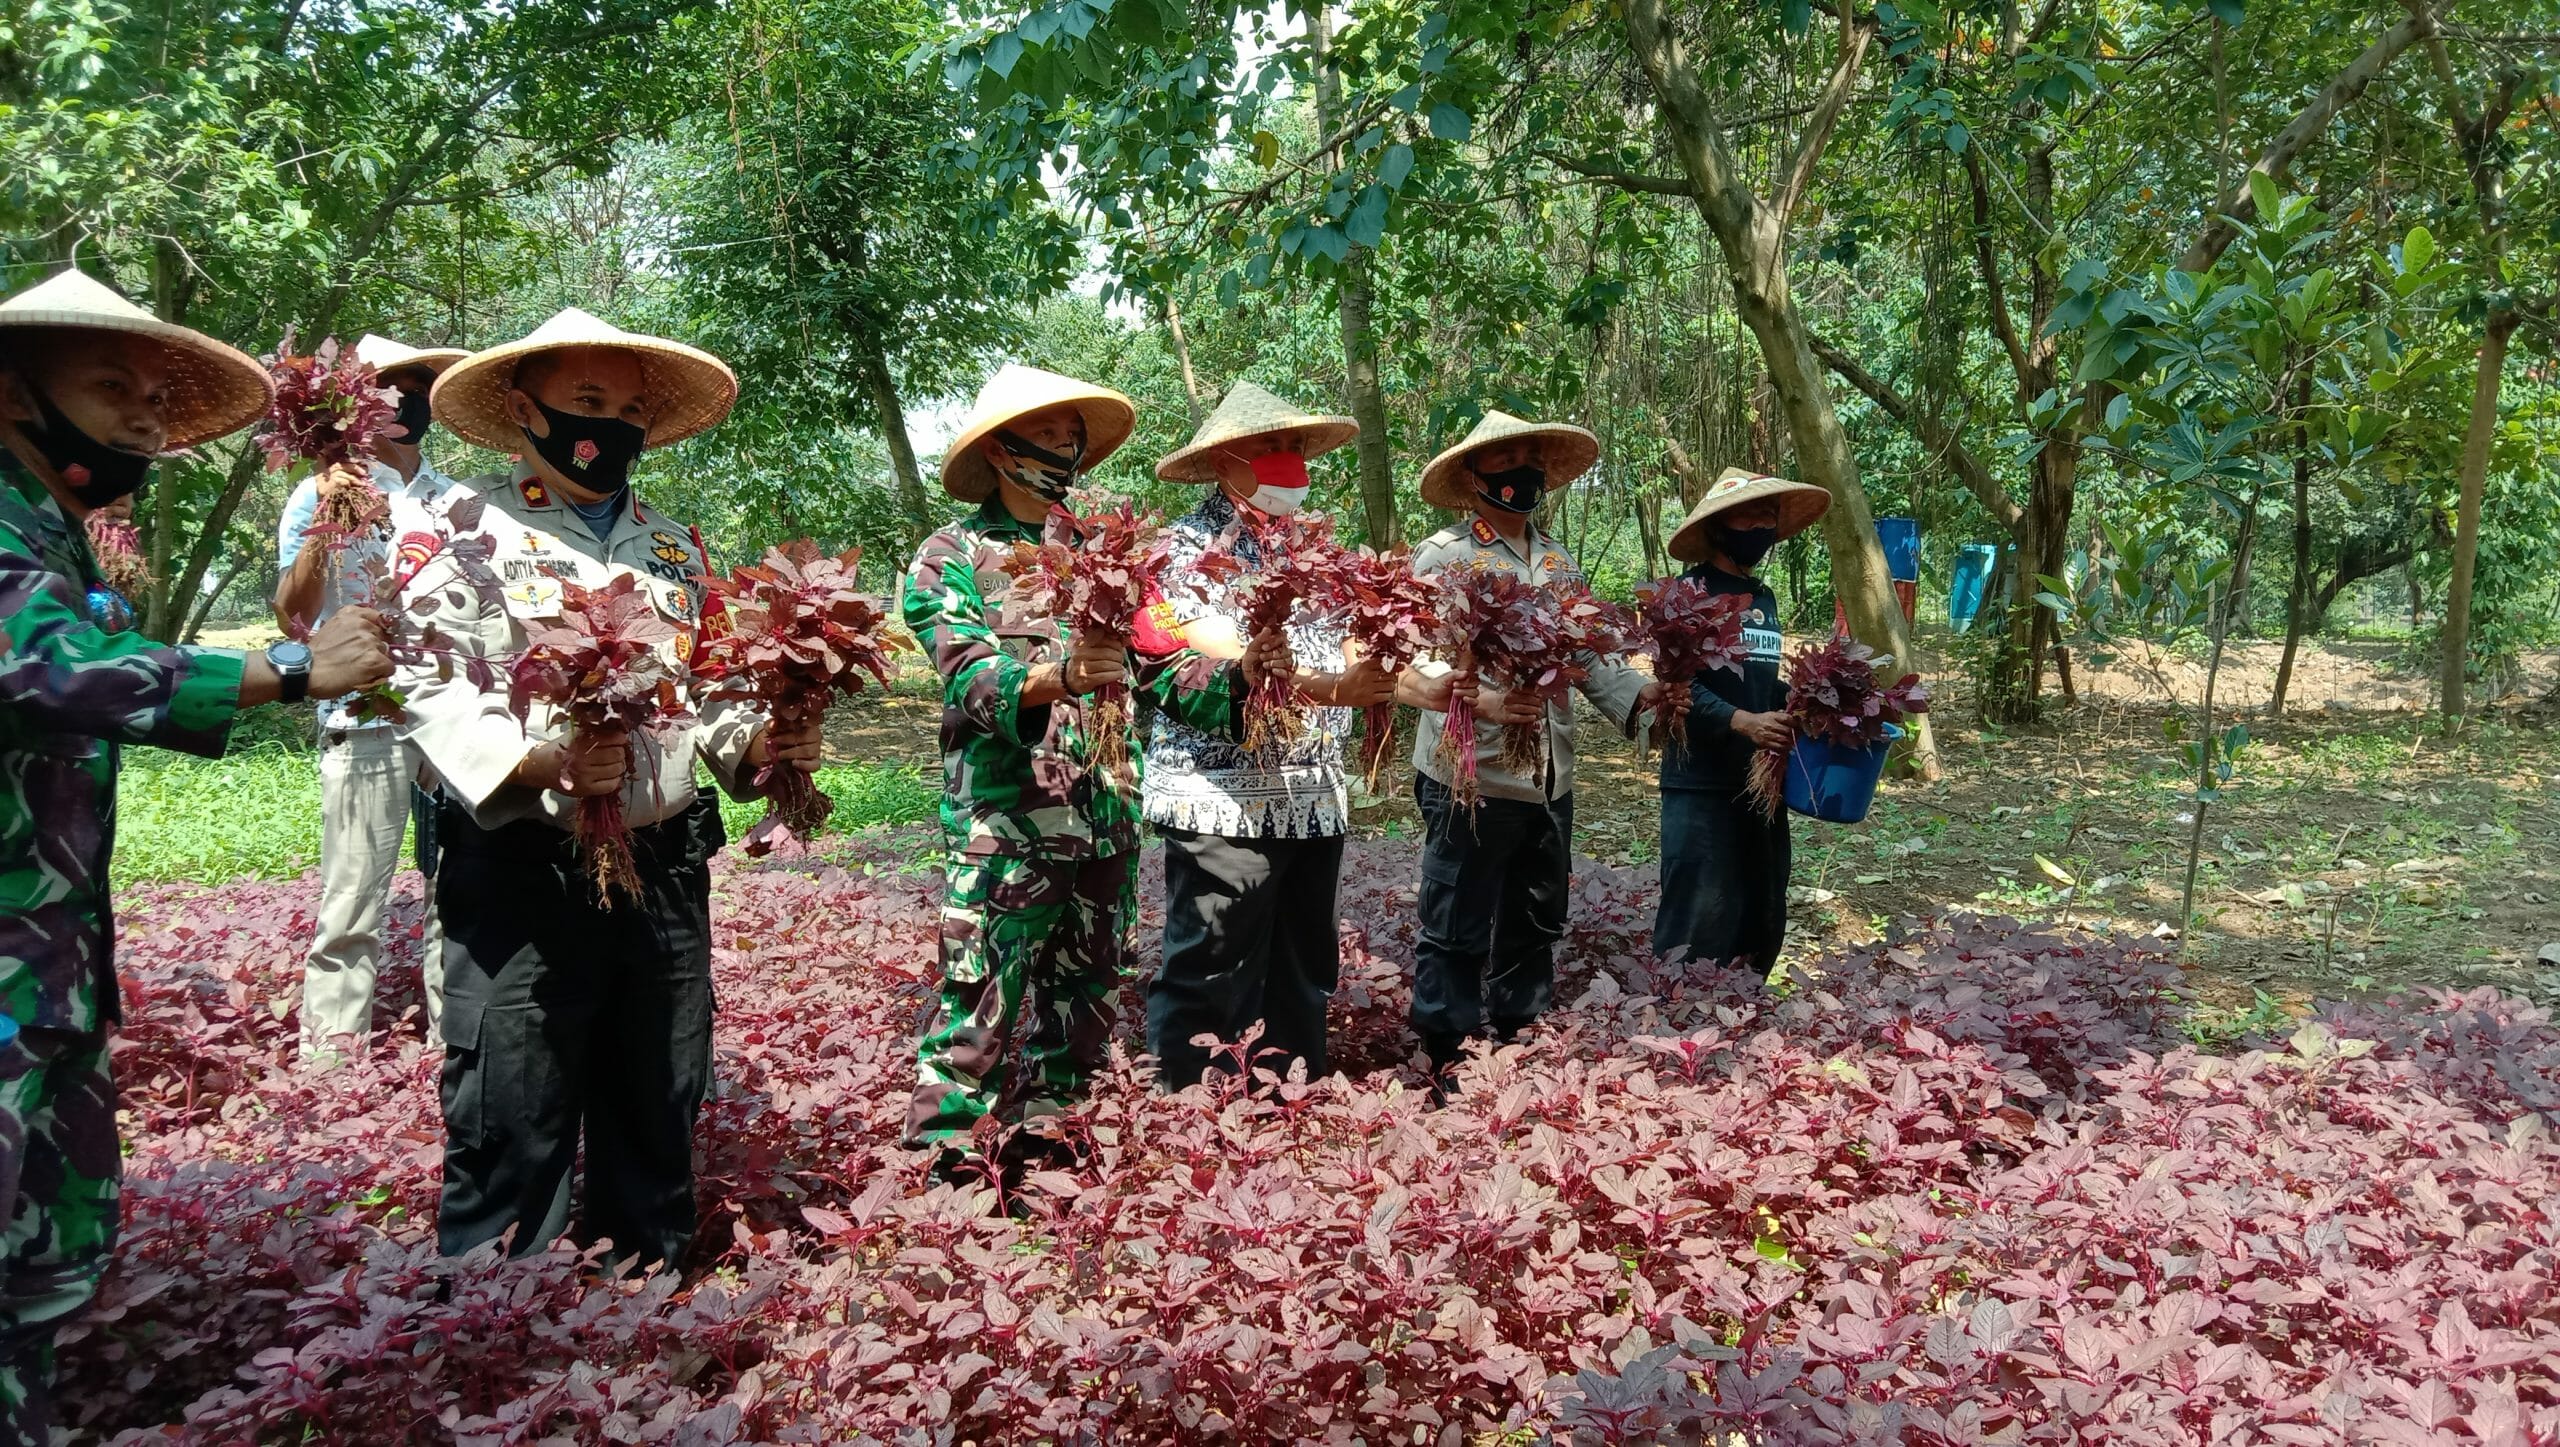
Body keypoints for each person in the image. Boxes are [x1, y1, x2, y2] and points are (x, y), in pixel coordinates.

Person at [0, 269, 392, 1441]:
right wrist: (282, 666)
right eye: (109, 384)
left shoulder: (47, 529)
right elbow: (48, 664)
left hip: (44, 972)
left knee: (35, 1277)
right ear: (15, 396)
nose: (143, 414)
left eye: (154, 394)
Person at [393, 308, 820, 1270]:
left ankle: (648, 1311)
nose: (610, 425)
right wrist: (542, 761)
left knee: (657, 1099)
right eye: (589, 402)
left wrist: (768, 746)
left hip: (662, 867)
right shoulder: (460, 531)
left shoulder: (676, 550)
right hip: (520, 872)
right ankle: (500, 1344)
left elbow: (710, 699)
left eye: (629, 408)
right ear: (523, 404)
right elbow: (421, 680)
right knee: (511, 1112)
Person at [899, 364, 1249, 1183]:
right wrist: (1061, 674)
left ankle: (1051, 1171)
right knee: (976, 1013)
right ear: (1000, 449)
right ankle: (945, 1196)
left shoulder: (1107, 559)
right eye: (1048, 433)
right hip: (1006, 837)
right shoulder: (952, 553)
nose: (1064, 448)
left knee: (1084, 1012)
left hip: (1104, 828)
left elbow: (1168, 674)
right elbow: (969, 677)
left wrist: (1250, 682)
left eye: (1072, 436)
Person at [1392, 411, 1682, 1093]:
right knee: (1457, 919)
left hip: (1550, 775)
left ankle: (1519, 1041)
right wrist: (1482, 701)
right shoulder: (1446, 556)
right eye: (1506, 458)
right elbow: (1410, 662)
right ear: (1474, 475)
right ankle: (1445, 1059)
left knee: (1536, 915)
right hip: (1473, 771)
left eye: (1531, 457)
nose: (1522, 470)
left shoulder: (1559, 562)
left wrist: (1645, 701)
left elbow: (1589, 657)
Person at [1133, 381, 1392, 1089]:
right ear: (1224, 462)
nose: (1287, 460)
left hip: (1310, 794)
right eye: (1269, 446)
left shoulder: (1322, 550)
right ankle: (1185, 1110)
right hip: (1221, 799)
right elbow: (1198, 656)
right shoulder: (1179, 550)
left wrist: (1378, 673)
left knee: (1303, 962)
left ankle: (1289, 1109)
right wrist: (1329, 686)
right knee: (1212, 961)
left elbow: (1352, 644)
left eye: (1294, 447)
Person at [275, 333, 469, 1065]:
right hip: (361, 718)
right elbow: (292, 616)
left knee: (460, 895)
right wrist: (326, 521)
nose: (403, 400)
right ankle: (330, 1065)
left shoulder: (457, 500)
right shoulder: (313, 493)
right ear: (356, 402)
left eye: (416, 386)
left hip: (453, 718)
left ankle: (457, 1048)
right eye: (389, 385)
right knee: (352, 901)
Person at [1653, 467, 1830, 976]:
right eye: (1748, 514)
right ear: (1718, 525)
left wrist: (1806, 703)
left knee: (1761, 908)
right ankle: (1675, 1021)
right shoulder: (1685, 595)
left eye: (1768, 515)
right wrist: (1740, 721)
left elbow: (1758, 679)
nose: (1760, 525)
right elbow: (1676, 687)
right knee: (1698, 915)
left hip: (1761, 783)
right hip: (1700, 784)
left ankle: (1747, 1029)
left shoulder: (1764, 597)